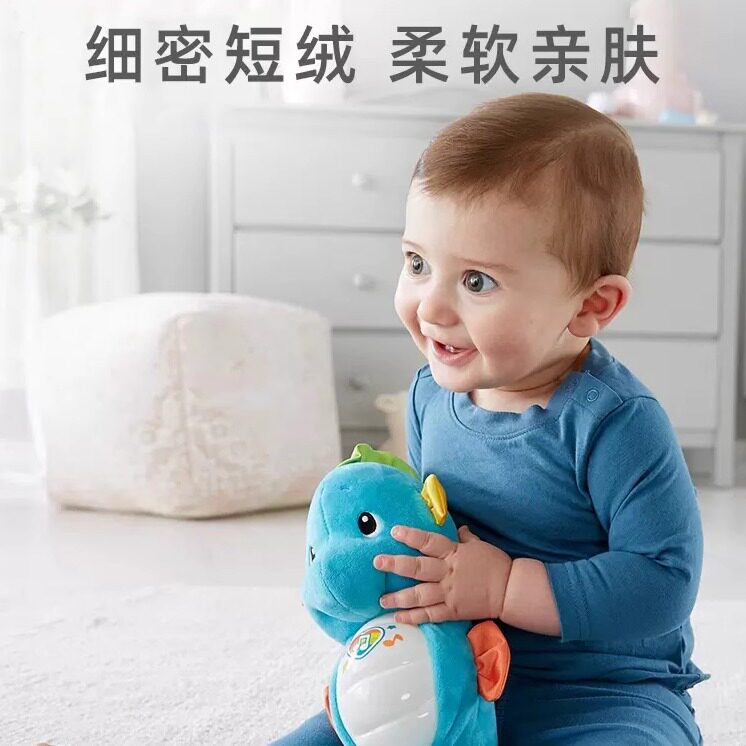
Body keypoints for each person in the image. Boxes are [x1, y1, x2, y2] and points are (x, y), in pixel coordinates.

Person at [272, 92, 709, 745]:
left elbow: (662, 583)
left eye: (476, 281)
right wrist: (378, 662)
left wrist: (506, 587)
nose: (431, 307)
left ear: (590, 306)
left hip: (604, 693)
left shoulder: (616, 425)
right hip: (455, 675)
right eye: (418, 263)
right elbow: (425, 550)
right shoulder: (428, 396)